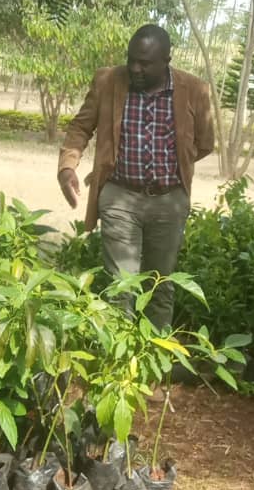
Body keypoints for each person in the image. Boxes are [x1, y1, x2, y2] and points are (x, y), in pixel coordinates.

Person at [57, 24, 215, 329]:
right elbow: (80, 127)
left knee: (160, 285)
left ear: (166, 60)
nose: (135, 68)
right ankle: (120, 366)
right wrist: (67, 167)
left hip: (169, 202)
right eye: (131, 60)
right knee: (120, 285)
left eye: (145, 63)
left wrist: (170, 165)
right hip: (120, 197)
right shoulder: (108, 81)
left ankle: (153, 360)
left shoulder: (195, 90)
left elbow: (204, 144)